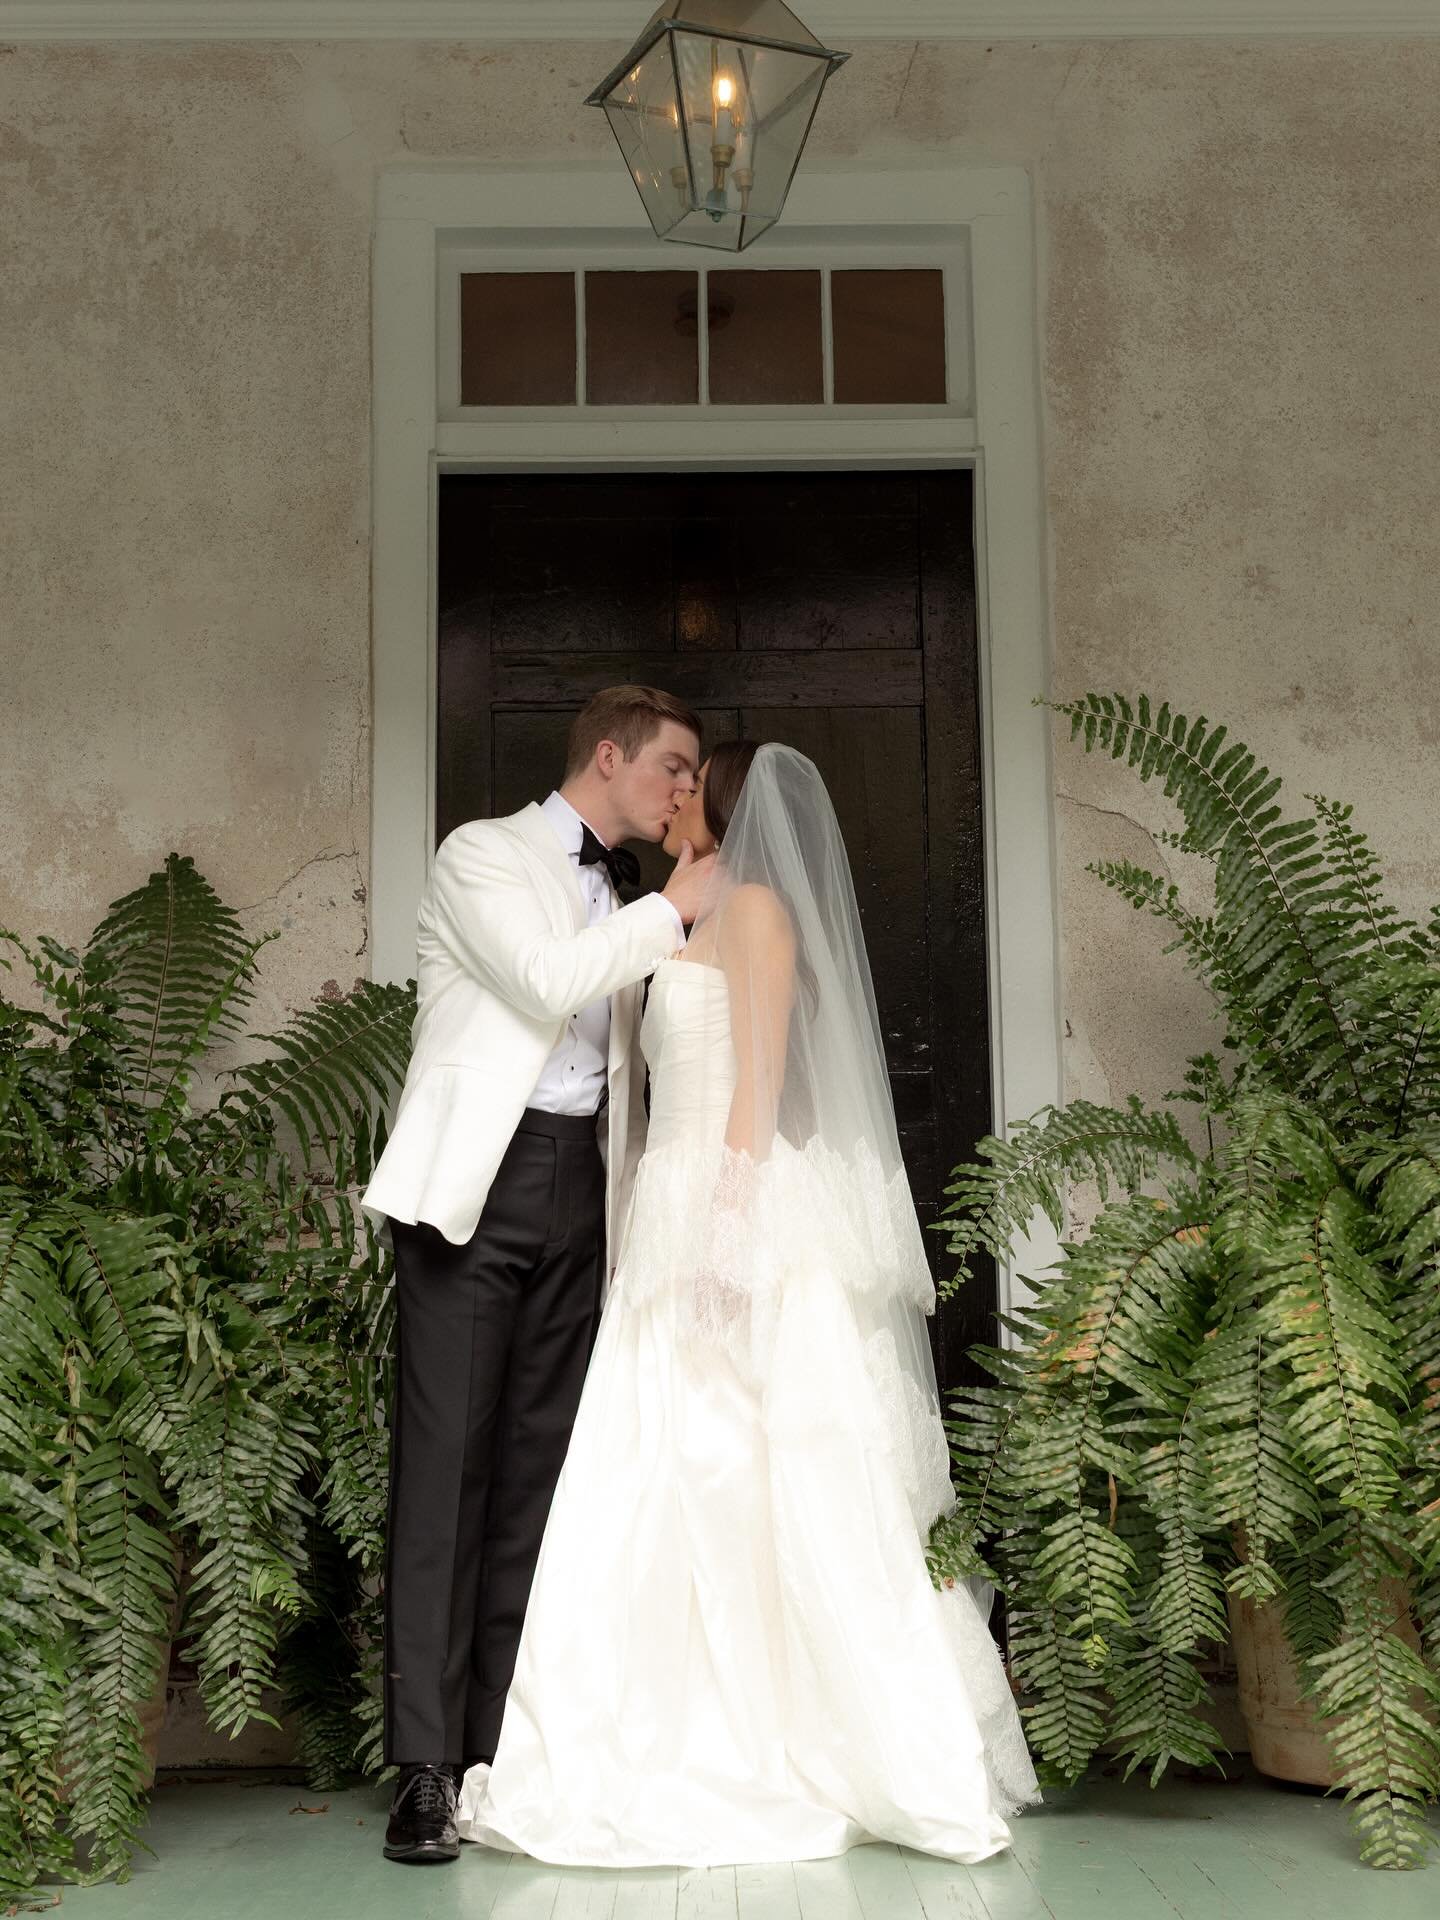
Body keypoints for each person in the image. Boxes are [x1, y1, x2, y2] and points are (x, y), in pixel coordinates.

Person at [457, 739, 1039, 1867]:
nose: (671, 794)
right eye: (665, 776)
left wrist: (726, 1234)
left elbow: (761, 1080)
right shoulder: (673, 912)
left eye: (688, 780)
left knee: (754, 1467)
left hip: (731, 1210)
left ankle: (799, 1736)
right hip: (663, 1211)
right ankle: (652, 1726)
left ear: (718, 802)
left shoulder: (760, 909)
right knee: (652, 1470)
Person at [360, 685, 717, 1865]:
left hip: (584, 1192)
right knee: (447, 1477)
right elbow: (541, 980)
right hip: (477, 1192)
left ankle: (492, 1753)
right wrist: (672, 911)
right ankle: (419, 1769)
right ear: (606, 755)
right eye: (671, 767)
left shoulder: (634, 891)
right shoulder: (483, 854)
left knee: (537, 1485)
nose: (681, 790)